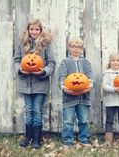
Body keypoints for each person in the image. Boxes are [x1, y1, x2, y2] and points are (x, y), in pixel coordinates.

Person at [14, 19, 56, 149]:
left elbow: (52, 63)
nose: (34, 32)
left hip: (40, 85)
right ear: (28, 30)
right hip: (25, 85)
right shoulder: (22, 43)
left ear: (40, 30)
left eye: (36, 29)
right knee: (28, 110)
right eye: (31, 29)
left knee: (37, 111)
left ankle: (37, 139)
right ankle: (28, 136)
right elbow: (16, 60)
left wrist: (44, 72)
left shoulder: (46, 45)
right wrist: (19, 70)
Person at [58, 37, 93, 148]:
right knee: (68, 121)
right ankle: (67, 140)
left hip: (84, 97)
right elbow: (62, 78)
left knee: (84, 120)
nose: (76, 49)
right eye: (73, 46)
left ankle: (84, 139)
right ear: (69, 48)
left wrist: (89, 86)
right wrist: (64, 87)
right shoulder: (65, 62)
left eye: (78, 47)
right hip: (69, 97)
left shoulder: (86, 62)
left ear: (81, 48)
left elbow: (90, 78)